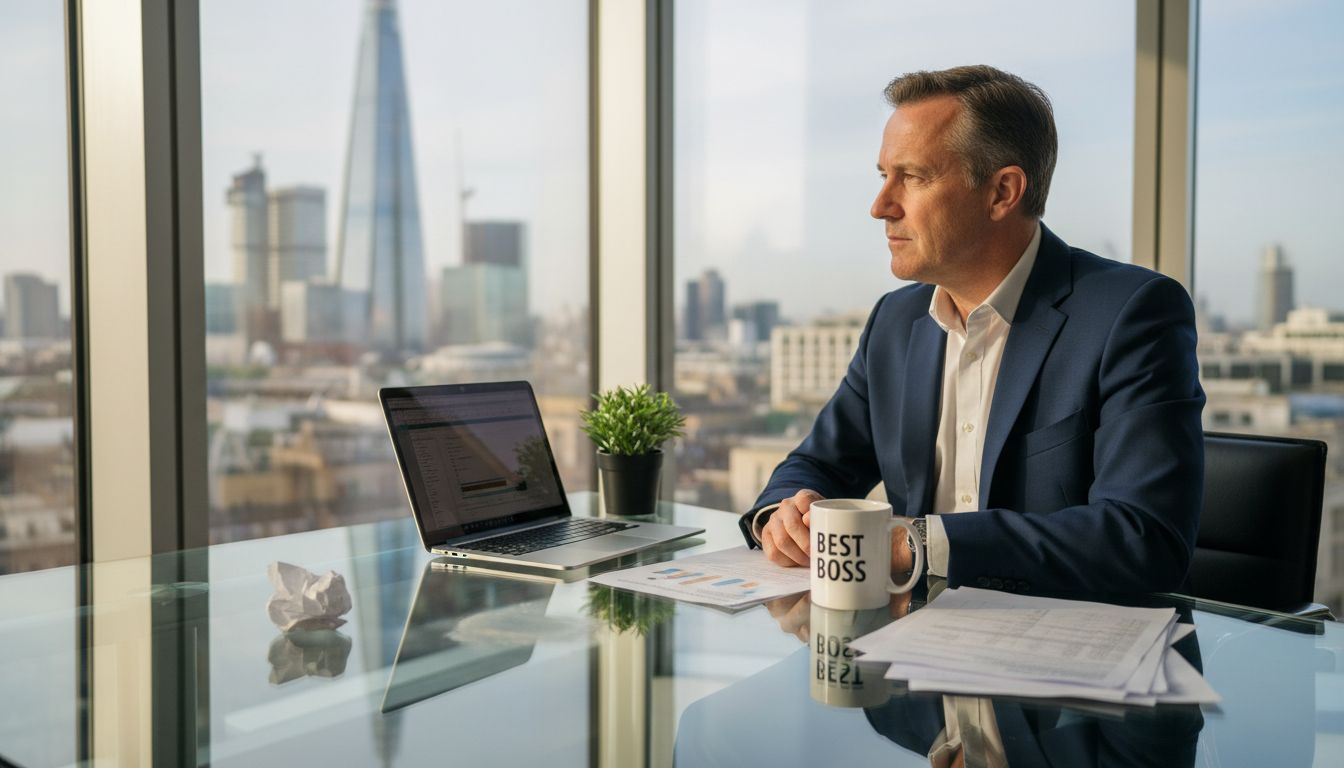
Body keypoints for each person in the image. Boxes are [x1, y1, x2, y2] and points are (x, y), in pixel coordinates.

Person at [738, 65, 1205, 596]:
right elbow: (817, 463)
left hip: (1065, 641)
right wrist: (784, 515)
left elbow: (1144, 537)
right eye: (883, 175)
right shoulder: (895, 321)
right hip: (911, 635)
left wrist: (918, 544)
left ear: (1002, 192)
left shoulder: (1131, 314)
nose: (880, 206)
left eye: (913, 177)